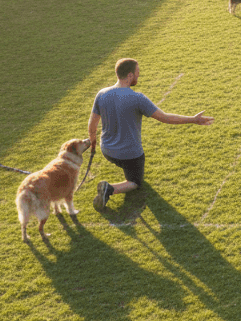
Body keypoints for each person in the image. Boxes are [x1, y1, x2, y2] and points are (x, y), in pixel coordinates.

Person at [89, 58, 214, 211]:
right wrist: (193, 120)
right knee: (135, 182)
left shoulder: (101, 94)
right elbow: (165, 118)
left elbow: (92, 125)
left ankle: (124, 172)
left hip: (107, 150)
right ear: (129, 75)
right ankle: (109, 189)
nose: (138, 76)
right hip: (130, 154)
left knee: (125, 163)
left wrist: (94, 145)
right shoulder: (137, 98)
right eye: (137, 73)